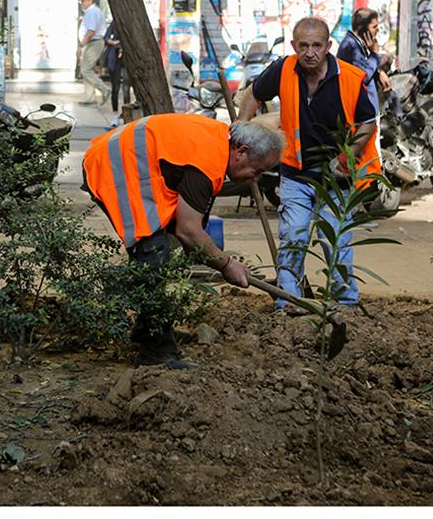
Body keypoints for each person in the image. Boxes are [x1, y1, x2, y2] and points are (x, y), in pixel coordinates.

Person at [82, 114, 284, 366]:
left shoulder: (218, 144)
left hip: (127, 162)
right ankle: (155, 351)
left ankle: (150, 327)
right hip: (114, 167)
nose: (255, 179)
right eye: (257, 171)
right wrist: (227, 265)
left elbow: (190, 225)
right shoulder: (208, 161)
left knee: (156, 251)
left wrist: (208, 253)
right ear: (241, 152)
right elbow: (188, 231)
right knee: (152, 253)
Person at [239, 16, 379, 308]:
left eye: (317, 45)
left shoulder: (350, 78)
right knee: (293, 239)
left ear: (328, 46)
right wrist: (241, 129)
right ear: (294, 45)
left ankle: (345, 306)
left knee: (337, 245)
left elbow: (367, 121)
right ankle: (288, 303)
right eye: (303, 45)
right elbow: (253, 94)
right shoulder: (283, 69)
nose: (310, 52)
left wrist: (347, 154)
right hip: (295, 175)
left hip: (335, 179)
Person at [336, 8, 392, 114]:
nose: (378, 30)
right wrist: (374, 54)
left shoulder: (356, 43)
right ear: (362, 29)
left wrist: (379, 72)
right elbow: (362, 77)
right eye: (374, 27)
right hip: (361, 115)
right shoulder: (351, 46)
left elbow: (364, 67)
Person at [77, 0, 109, 106]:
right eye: (81, 1)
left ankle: (104, 89)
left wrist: (81, 46)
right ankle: (89, 98)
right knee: (86, 70)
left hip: (93, 43)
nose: (81, 3)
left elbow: (91, 31)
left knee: (85, 70)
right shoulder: (90, 12)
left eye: (83, 1)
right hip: (90, 43)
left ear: (90, 0)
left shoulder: (93, 12)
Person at [102, 21, 130, 128]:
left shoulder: (130, 23)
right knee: (115, 88)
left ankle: (127, 116)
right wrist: (114, 43)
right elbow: (106, 38)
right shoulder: (114, 24)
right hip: (115, 59)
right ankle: (115, 116)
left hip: (127, 60)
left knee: (126, 89)